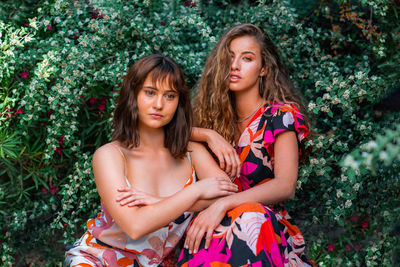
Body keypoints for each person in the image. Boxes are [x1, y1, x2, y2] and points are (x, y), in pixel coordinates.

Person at [64, 54, 238, 267]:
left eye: (170, 96)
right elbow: (135, 225)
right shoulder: (110, 155)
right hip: (99, 260)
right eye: (150, 93)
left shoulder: (191, 151)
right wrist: (197, 190)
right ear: (133, 95)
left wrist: (207, 135)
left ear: (178, 103)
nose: (159, 104)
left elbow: (227, 193)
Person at [178, 23, 314, 266]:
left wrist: (224, 204)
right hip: (214, 224)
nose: (234, 66)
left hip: (262, 227)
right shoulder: (212, 118)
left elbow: (286, 186)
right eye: (229, 58)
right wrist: (209, 135)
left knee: (251, 216)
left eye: (247, 58)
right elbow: (160, 130)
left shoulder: (281, 116)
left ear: (264, 68)